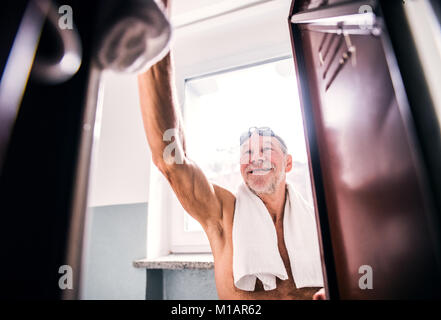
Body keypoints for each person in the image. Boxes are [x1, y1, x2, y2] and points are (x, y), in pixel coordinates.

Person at [137, 1, 325, 300]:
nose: (256, 157)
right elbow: (171, 162)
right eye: (247, 153)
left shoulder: (318, 219)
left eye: (266, 148)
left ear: (288, 163)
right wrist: (152, 37)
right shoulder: (222, 212)